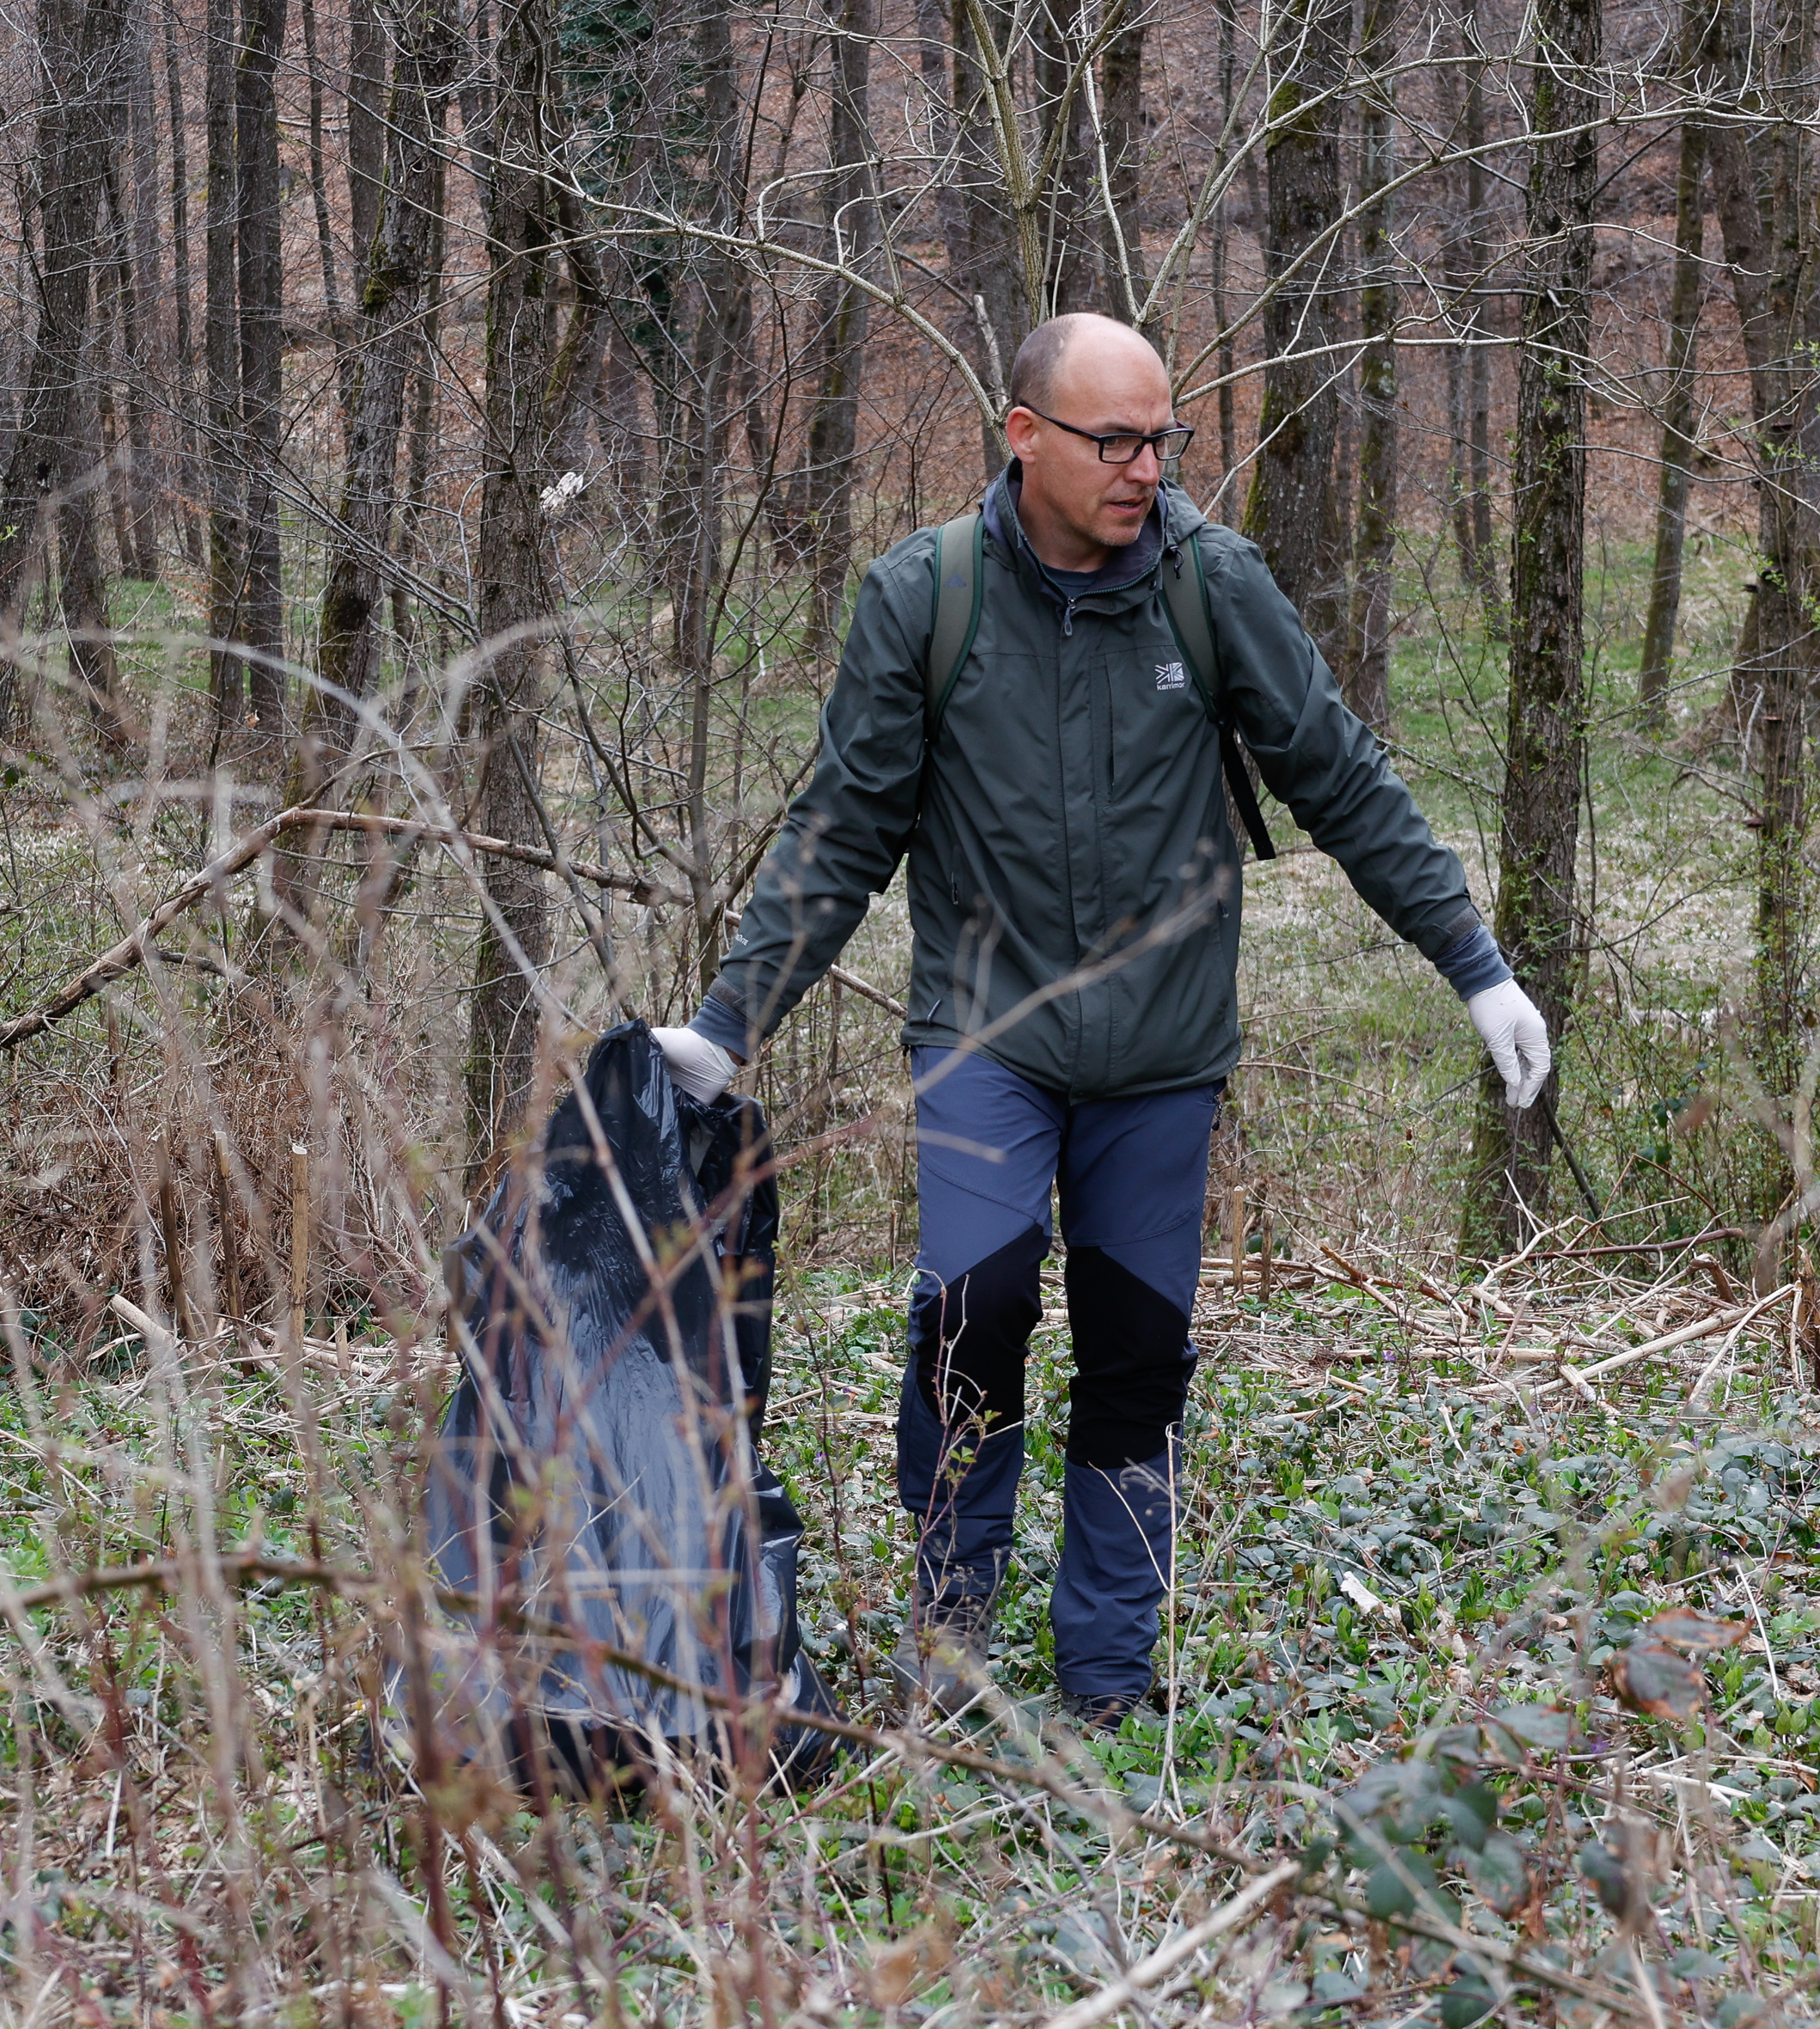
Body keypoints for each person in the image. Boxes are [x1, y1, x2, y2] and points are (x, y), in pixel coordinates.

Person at [648, 313, 1550, 1726]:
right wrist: (724, 1029)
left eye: (1163, 439)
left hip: (1162, 1057)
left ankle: (1107, 1682)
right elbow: (841, 833)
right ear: (1023, 437)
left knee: (1136, 1350)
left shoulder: (1213, 586)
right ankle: (949, 1644)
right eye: (1114, 440)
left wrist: (1473, 960)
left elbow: (1342, 776)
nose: (1147, 469)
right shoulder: (924, 598)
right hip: (984, 1040)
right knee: (975, 1315)